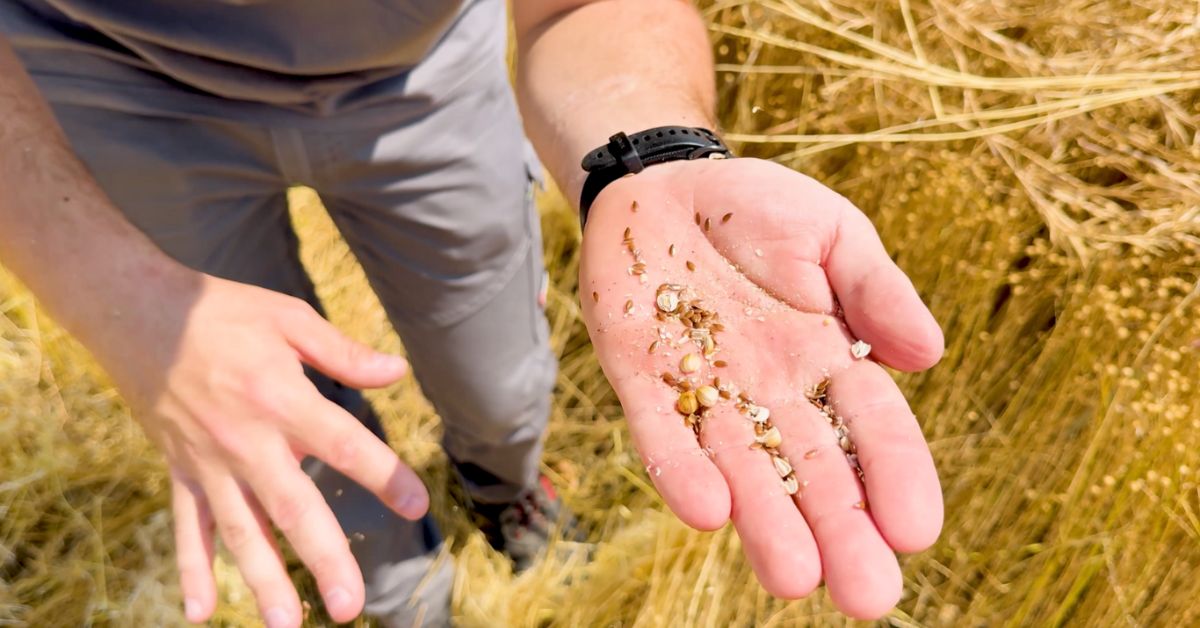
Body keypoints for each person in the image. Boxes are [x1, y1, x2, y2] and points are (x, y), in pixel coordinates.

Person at [0, 0, 947, 625]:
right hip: (96, 82)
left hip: (422, 75)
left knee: (495, 372)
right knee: (262, 407)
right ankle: (394, 578)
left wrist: (650, 152)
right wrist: (116, 294)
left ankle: (502, 488)